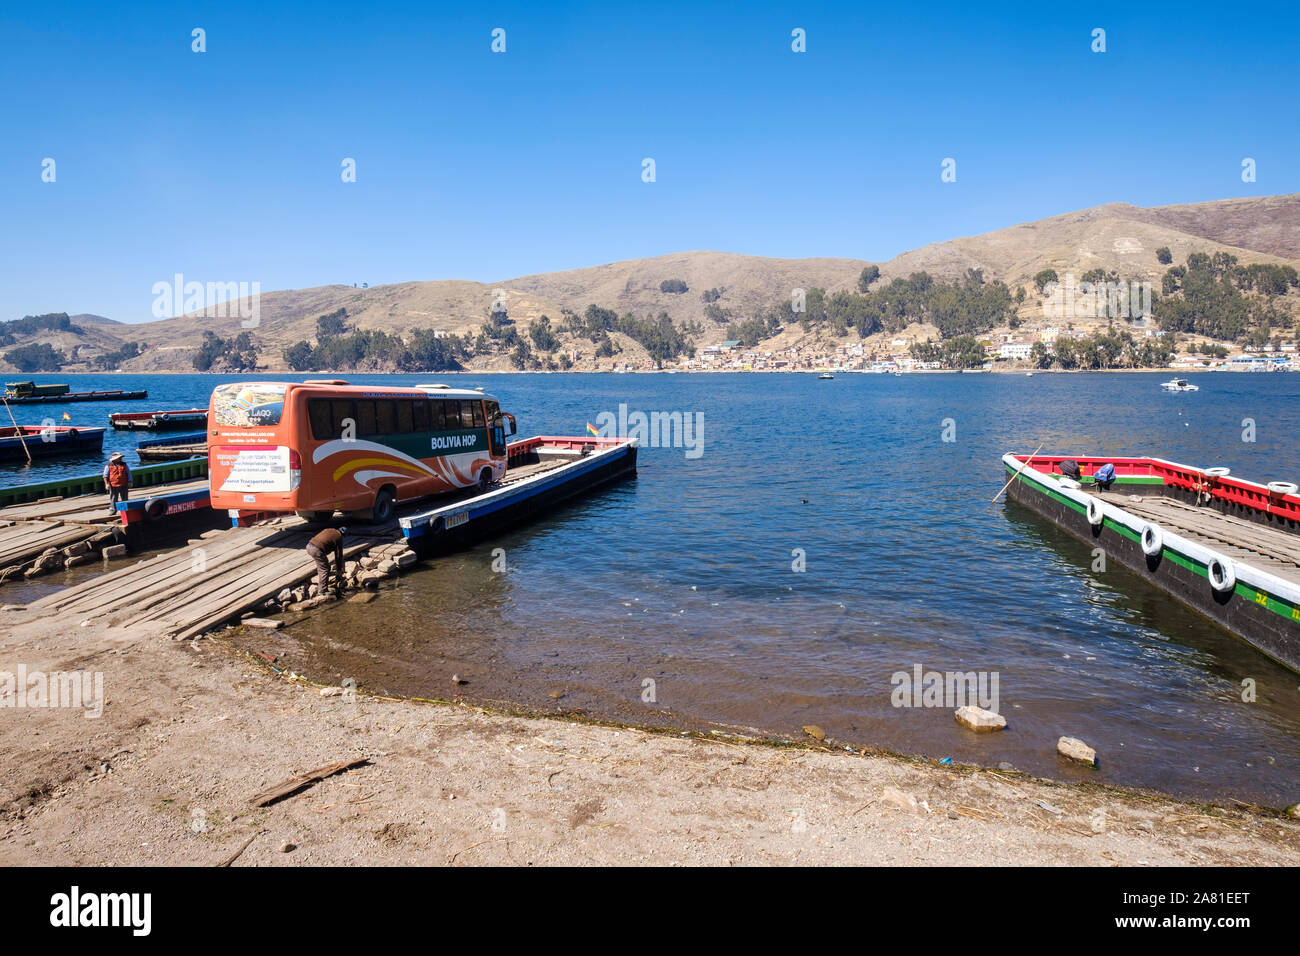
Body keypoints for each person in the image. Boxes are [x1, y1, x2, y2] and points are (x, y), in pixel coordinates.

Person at [305, 526, 347, 596]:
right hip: (317, 549)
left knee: (321, 567)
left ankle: (321, 584)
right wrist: (339, 570)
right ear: (343, 535)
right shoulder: (339, 537)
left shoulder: (330, 529)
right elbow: (338, 556)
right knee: (325, 569)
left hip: (309, 546)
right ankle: (322, 590)